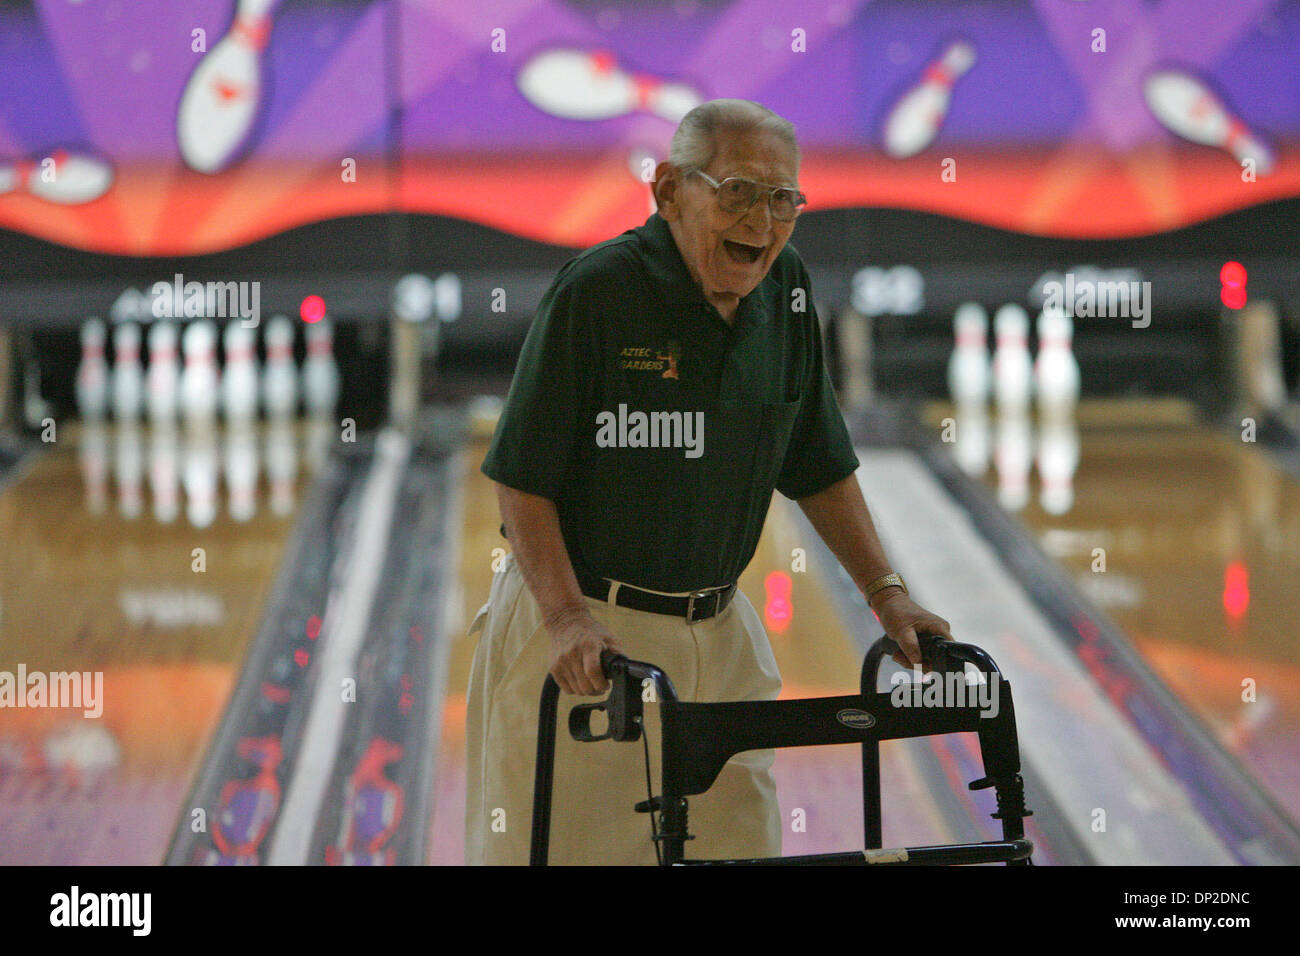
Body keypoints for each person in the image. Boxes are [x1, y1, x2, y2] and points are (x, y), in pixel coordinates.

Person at [465, 99, 952, 865]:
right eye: (737, 192)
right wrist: (564, 619)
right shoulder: (595, 293)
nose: (762, 220)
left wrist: (887, 595)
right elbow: (522, 477)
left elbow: (819, 465)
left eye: (783, 199)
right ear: (668, 191)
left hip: (722, 640)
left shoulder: (788, 291)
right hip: (587, 637)